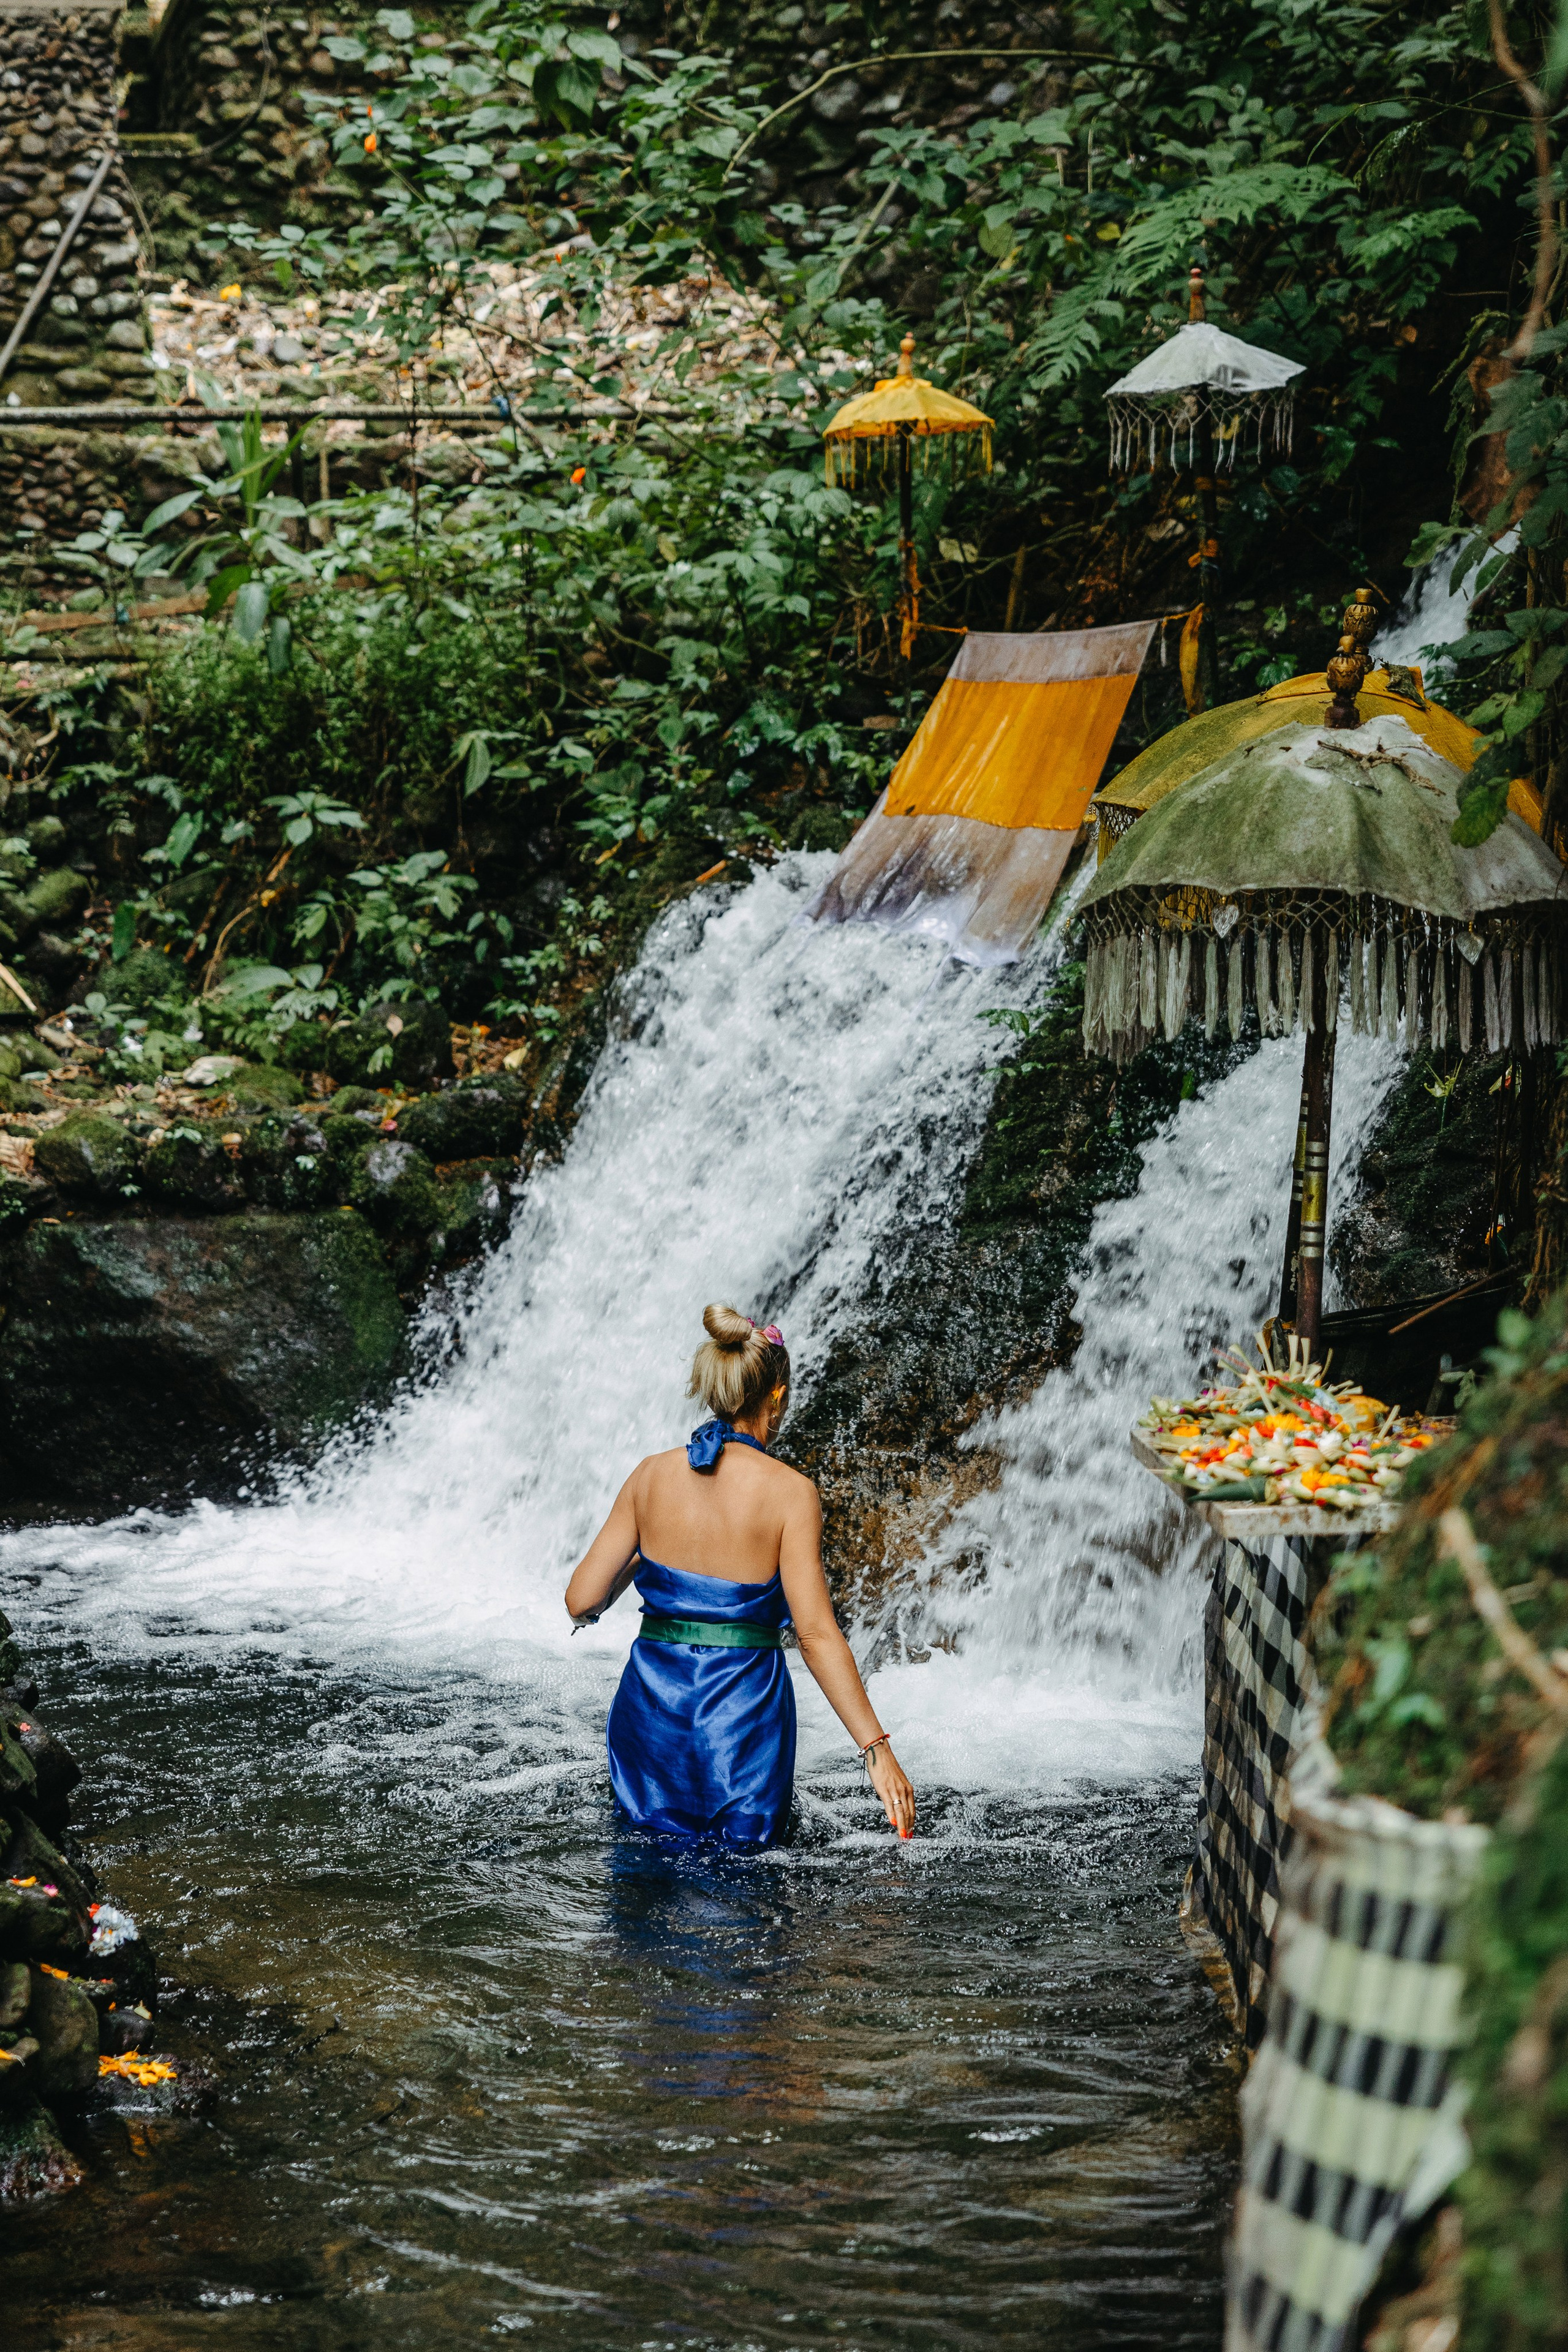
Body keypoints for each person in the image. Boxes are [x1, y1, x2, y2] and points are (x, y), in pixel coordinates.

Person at [565, 1303, 916, 1850]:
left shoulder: (650, 1475)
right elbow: (816, 1634)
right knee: (743, 1893)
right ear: (776, 1395)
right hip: (741, 1720)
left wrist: (646, 1556)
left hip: (651, 1712)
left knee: (643, 1884)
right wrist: (878, 1750)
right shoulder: (790, 1493)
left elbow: (581, 1600)